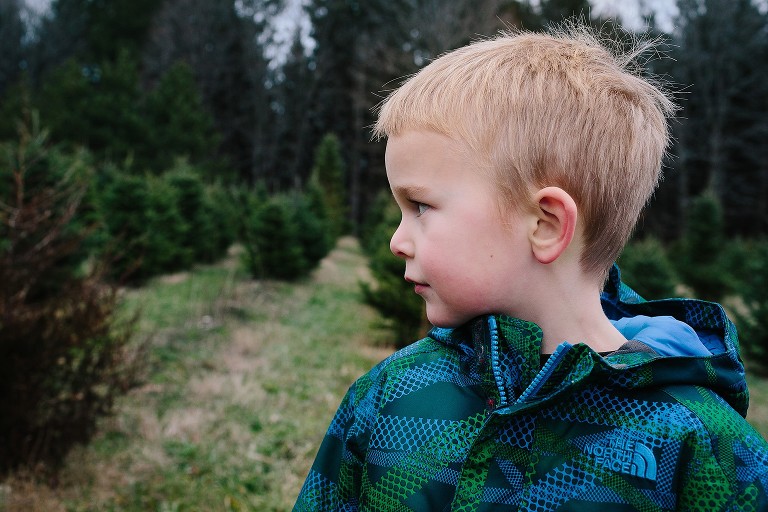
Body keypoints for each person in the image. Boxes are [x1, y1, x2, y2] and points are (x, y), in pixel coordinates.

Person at [294, 23, 768, 511]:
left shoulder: (700, 447)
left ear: (544, 224)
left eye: (420, 206)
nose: (397, 240)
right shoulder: (391, 397)